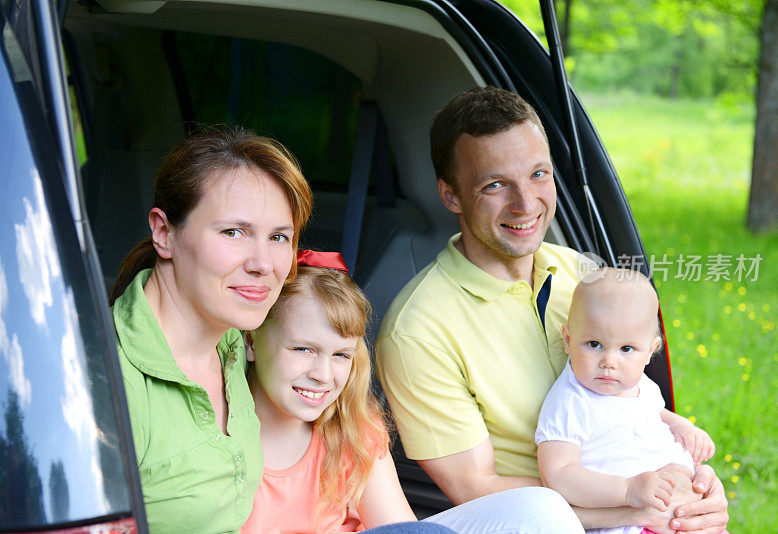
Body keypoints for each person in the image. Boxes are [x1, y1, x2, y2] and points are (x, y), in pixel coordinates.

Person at [375, 86, 729, 532]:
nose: (526, 204)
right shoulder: (416, 331)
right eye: (496, 184)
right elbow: (477, 489)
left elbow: (637, 410)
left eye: (538, 175)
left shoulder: (586, 275)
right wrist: (635, 501)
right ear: (451, 196)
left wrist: (696, 488)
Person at [242, 251, 583, 534]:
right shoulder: (222, 440)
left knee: (543, 506)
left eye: (341, 355)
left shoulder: (353, 430)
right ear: (251, 341)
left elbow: (399, 528)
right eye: (303, 349)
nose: (322, 375)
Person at [110, 127, 312, 533]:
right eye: (233, 232)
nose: (264, 263)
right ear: (164, 234)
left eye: (278, 237)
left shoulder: (234, 341)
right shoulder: (109, 380)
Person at [536, 268, 722, 534]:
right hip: (630, 525)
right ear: (568, 340)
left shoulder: (641, 386)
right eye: (593, 343)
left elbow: (654, 413)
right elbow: (558, 475)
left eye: (626, 349)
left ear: (649, 351)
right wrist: (627, 490)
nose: (609, 362)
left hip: (683, 510)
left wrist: (681, 425)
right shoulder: (569, 403)